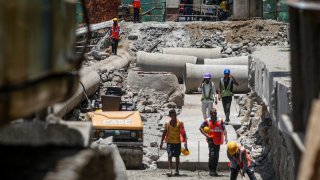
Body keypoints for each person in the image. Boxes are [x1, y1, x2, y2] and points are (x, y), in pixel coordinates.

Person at [199, 108, 228, 176]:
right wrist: (206, 135)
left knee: (216, 155)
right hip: (211, 139)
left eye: (215, 113)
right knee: (212, 154)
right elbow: (200, 128)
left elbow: (224, 129)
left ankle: (214, 170)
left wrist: (226, 138)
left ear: (216, 113)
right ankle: (211, 169)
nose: (214, 114)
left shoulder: (220, 121)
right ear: (210, 114)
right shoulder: (207, 121)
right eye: (212, 113)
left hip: (218, 140)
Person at [160, 109, 188, 177]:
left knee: (177, 156)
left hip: (177, 142)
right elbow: (164, 133)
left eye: (174, 115)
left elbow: (183, 133)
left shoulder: (180, 123)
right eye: (171, 115)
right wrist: (161, 143)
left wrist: (185, 143)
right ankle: (170, 170)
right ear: (170, 116)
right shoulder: (167, 123)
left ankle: (177, 170)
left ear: (175, 115)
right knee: (169, 155)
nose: (173, 116)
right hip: (169, 142)